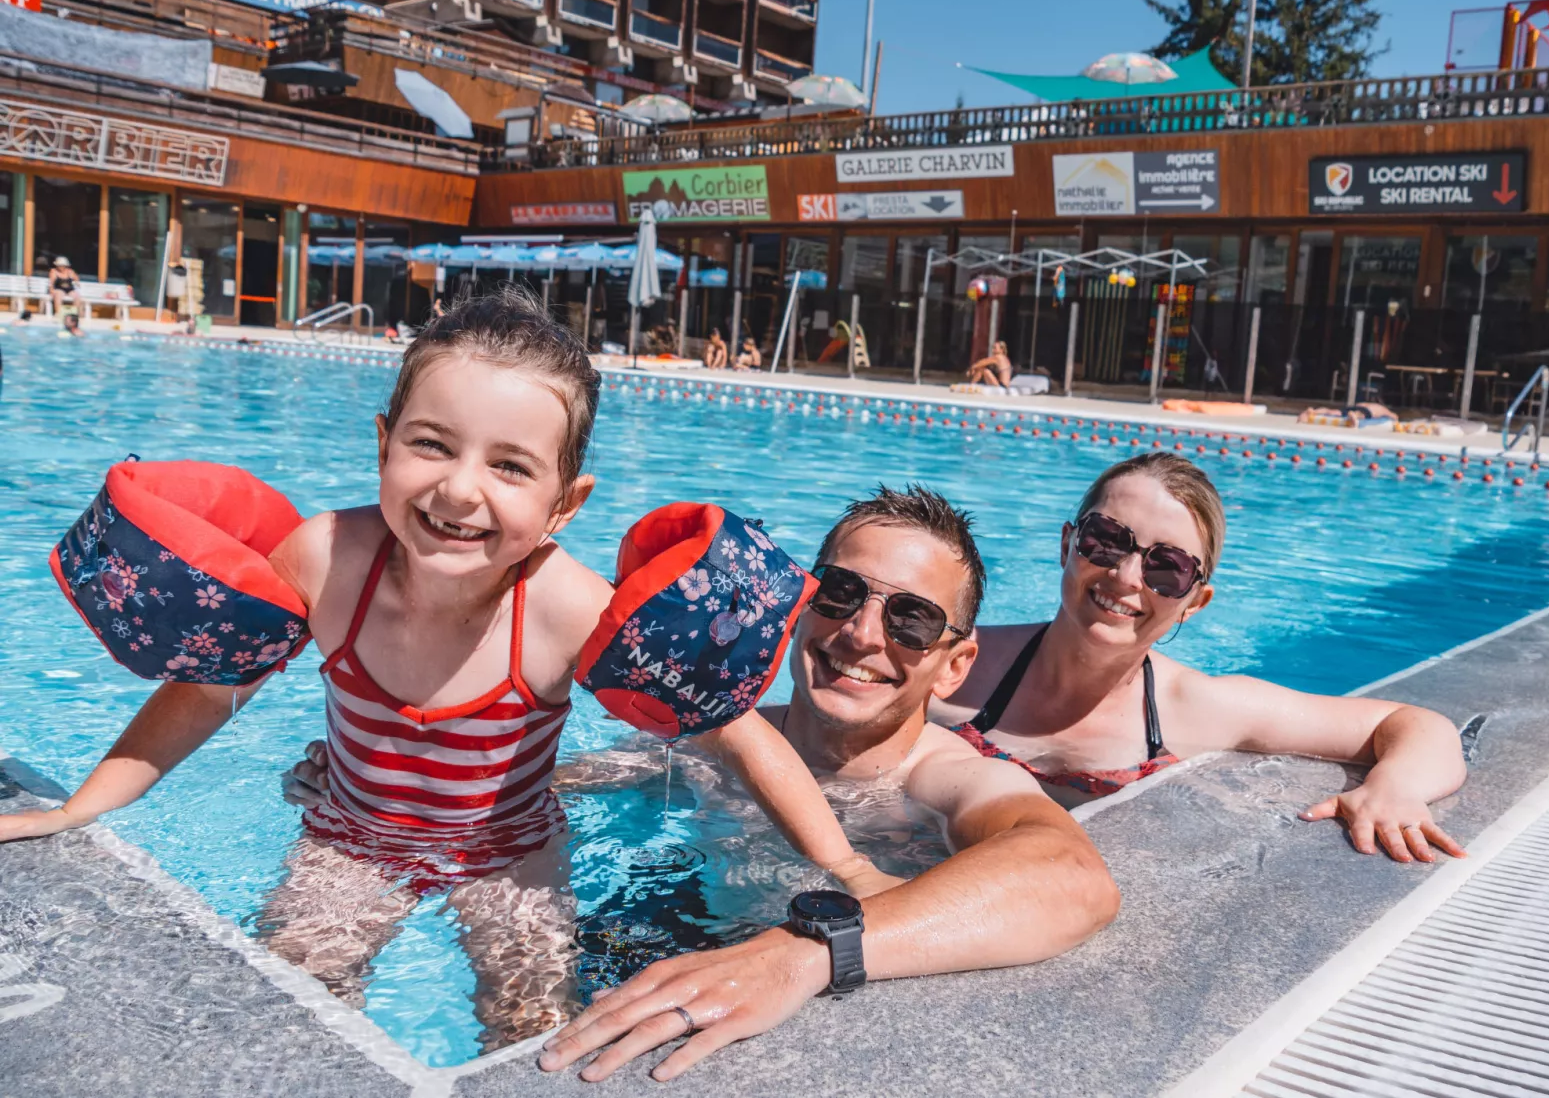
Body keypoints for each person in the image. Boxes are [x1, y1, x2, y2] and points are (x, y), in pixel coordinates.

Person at [0, 290, 891, 1045]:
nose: (461, 489)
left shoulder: (563, 608)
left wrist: (848, 870)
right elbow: (204, 693)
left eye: (510, 466)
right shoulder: (325, 561)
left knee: (535, 1026)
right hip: (351, 839)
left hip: (510, 857)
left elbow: (733, 734)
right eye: (431, 444)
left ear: (563, 504)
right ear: (384, 443)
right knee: (288, 1006)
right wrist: (80, 805)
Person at [536, 486, 1119, 1082]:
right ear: (799, 606)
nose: (863, 634)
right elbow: (523, 803)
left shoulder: (944, 779)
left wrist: (808, 952)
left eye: (912, 619)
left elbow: (1072, 879)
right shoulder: (711, 743)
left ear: (955, 666)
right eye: (841, 593)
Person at [929, 452, 1468, 864]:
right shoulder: (956, 661)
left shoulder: (1200, 708)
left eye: (1167, 568)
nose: (1125, 577)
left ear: (1195, 601)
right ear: (1068, 543)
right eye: (1107, 541)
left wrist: (1393, 787)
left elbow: (1416, 725)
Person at [48, 256, 82, 320]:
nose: (61, 267)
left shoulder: (70, 271)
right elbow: (51, 283)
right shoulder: (54, 271)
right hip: (58, 289)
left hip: (69, 289)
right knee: (59, 294)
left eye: (62, 265)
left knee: (77, 295)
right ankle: (58, 314)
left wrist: (75, 280)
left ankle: (75, 314)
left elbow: (77, 280)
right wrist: (51, 290)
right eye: (59, 265)